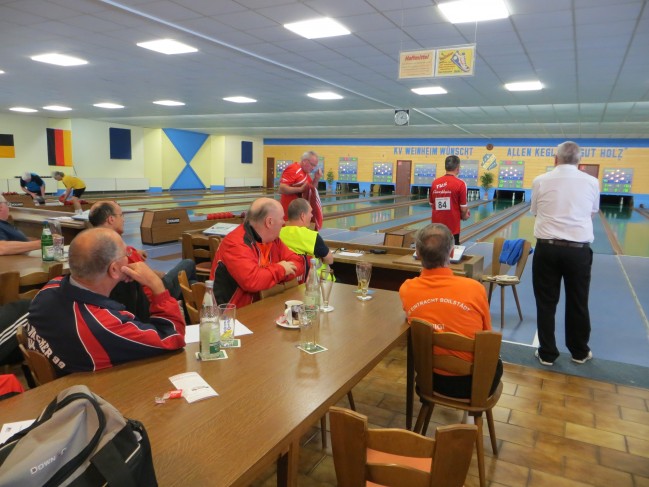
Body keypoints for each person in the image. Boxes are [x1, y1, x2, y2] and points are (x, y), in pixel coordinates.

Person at [26, 227, 186, 375]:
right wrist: (157, 286)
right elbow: (172, 337)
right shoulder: (103, 326)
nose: (130, 259)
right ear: (114, 269)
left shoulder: (47, 290)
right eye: (126, 255)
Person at [399, 223, 501, 399]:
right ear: (452, 253)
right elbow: (486, 335)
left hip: (429, 380)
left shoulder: (407, 289)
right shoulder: (475, 288)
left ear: (418, 253)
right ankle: (472, 412)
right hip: (476, 384)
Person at [531, 141, 599, 366]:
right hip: (578, 252)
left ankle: (547, 353)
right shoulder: (592, 182)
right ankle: (579, 352)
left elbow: (535, 211)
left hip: (547, 249)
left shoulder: (540, 180)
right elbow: (592, 212)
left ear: (555, 159)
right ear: (579, 161)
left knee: (546, 302)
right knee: (578, 301)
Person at [88, 200, 197, 301]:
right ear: (111, 219)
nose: (123, 219)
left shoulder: (99, 242)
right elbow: (141, 274)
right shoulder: (117, 250)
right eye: (121, 215)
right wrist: (161, 274)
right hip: (155, 291)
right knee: (189, 263)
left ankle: (191, 308)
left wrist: (134, 251)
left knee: (191, 284)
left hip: (145, 290)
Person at [209, 197, 304, 308]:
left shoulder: (273, 240)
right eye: (282, 218)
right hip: (231, 313)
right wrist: (281, 270)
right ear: (269, 222)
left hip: (262, 307)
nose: (284, 223)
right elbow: (252, 281)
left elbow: (298, 263)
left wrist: (277, 275)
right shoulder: (236, 244)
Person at [279, 198, 333, 281]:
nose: (312, 215)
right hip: (315, 282)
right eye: (310, 212)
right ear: (302, 216)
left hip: (289, 281)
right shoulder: (311, 236)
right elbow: (329, 260)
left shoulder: (278, 234)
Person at [429, 155, 469, 245]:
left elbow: (432, 204)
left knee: (436, 250)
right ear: (458, 168)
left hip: (436, 227)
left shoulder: (435, 183)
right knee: (452, 251)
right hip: (453, 228)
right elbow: (463, 209)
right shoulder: (461, 184)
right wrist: (464, 215)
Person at [278, 150, 322, 220]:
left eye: (315, 166)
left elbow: (311, 191)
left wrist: (316, 179)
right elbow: (281, 188)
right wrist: (300, 189)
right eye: (312, 164)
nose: (313, 168)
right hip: (289, 214)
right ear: (304, 161)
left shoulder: (306, 173)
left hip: (299, 213)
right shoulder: (293, 168)